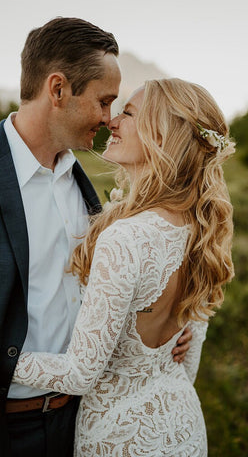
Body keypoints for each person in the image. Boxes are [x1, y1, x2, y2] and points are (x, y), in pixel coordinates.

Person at [0, 18, 191, 457]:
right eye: (104, 102)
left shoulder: (93, 188)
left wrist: (164, 337)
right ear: (58, 90)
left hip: (83, 424)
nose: (110, 119)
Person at [12, 78, 235, 456]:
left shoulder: (127, 237)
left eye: (128, 113)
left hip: (121, 437)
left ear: (161, 137)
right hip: (182, 425)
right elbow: (188, 362)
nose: (112, 121)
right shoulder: (202, 229)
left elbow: (80, 373)